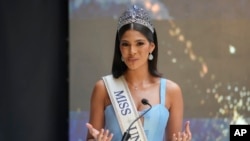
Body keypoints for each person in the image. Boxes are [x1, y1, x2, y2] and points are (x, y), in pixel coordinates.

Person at [86, 5, 192, 141]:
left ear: (151, 47)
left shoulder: (171, 91)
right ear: (120, 48)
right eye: (125, 44)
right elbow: (90, 137)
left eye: (139, 43)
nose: (132, 51)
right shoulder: (103, 88)